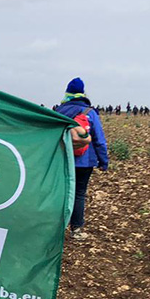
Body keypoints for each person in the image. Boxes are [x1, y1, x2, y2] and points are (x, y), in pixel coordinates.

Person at [55, 77, 109, 240]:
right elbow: (99, 139)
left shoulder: (59, 111)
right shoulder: (90, 112)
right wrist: (103, 161)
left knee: (61, 193)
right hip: (85, 162)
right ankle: (76, 229)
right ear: (82, 93)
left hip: (63, 159)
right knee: (79, 193)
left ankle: (54, 229)